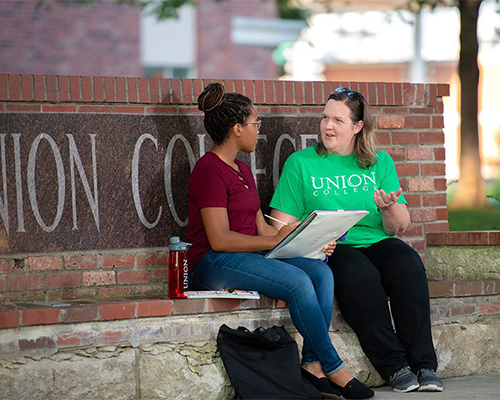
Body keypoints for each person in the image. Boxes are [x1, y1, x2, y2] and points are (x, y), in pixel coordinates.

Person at [186, 83, 374, 400]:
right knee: (298, 281)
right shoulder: (209, 170)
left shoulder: (242, 169)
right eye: (254, 124)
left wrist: (304, 239)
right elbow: (219, 239)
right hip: (212, 263)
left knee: (320, 272)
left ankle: (312, 366)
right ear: (236, 129)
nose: (258, 131)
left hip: (248, 257)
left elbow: (264, 230)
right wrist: (272, 240)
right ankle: (335, 368)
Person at [269, 87, 443, 393]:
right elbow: (279, 223)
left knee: (408, 264)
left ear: (357, 126)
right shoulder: (301, 163)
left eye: (337, 120)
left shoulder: (379, 162)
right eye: (325, 118)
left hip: (376, 240)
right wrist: (311, 233)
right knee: (358, 275)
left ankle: (424, 365)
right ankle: (396, 366)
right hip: (333, 246)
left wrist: (389, 208)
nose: (327, 126)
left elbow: (398, 227)